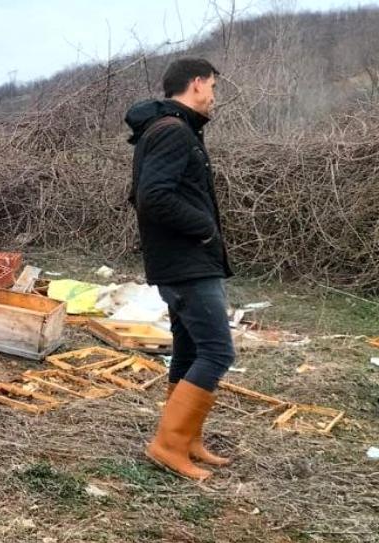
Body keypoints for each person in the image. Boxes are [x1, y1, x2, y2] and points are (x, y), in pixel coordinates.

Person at [124, 58, 235, 481]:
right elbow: (152, 196)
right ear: (196, 84)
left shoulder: (170, 129)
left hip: (183, 260)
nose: (213, 97)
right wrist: (204, 228)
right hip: (187, 263)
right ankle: (168, 444)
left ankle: (186, 439)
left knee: (189, 349)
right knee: (217, 352)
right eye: (212, 87)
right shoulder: (172, 132)